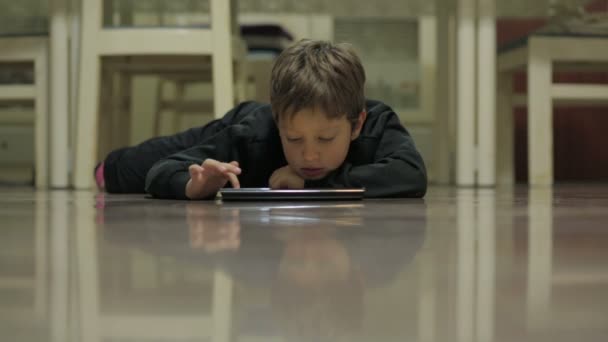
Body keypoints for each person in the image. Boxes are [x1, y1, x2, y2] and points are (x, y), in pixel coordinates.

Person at [96, 39, 427, 200]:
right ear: (279, 123)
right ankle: (104, 168)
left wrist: (312, 185)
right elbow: (162, 170)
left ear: (356, 124)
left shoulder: (376, 123)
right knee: (123, 171)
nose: (309, 156)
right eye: (294, 139)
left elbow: (411, 174)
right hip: (239, 122)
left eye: (325, 139)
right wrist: (194, 185)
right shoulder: (254, 134)